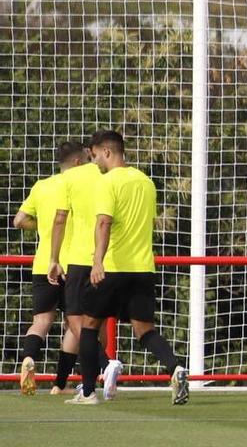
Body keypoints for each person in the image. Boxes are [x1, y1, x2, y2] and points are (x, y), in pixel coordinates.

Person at [75, 130, 188, 405]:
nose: (95, 162)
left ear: (107, 152)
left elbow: (104, 222)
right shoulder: (146, 183)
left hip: (114, 265)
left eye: (95, 156)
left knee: (88, 325)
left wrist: (97, 261)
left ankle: (88, 392)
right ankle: (175, 368)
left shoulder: (108, 182)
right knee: (145, 330)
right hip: (143, 268)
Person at [13, 140, 85, 395]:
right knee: (74, 325)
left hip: (43, 264)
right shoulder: (79, 186)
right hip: (73, 264)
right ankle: (60, 384)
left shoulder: (42, 186)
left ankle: (28, 359)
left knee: (41, 321)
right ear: (78, 162)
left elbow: (19, 220)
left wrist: (41, 224)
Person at [43, 136, 105, 399]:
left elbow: (58, 219)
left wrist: (54, 258)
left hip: (77, 259)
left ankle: (106, 363)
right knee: (90, 322)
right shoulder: (107, 175)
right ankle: (76, 384)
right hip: (107, 258)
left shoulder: (61, 182)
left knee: (74, 320)